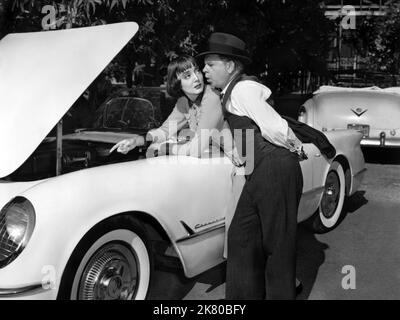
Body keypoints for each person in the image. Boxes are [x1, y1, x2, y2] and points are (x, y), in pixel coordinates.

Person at [197, 32, 304, 300]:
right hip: (256, 170)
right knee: (240, 239)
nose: (204, 70)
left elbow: (274, 126)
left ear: (230, 66)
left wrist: (295, 147)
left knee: (278, 247)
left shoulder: (244, 89)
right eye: (205, 64)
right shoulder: (229, 92)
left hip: (275, 167)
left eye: (211, 64)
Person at [110, 55, 231, 158]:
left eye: (197, 71)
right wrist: (136, 141)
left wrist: (166, 148)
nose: (196, 78)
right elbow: (165, 131)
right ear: (177, 83)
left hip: (236, 160)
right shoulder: (184, 102)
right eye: (187, 76)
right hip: (215, 160)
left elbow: (196, 149)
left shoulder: (211, 98)